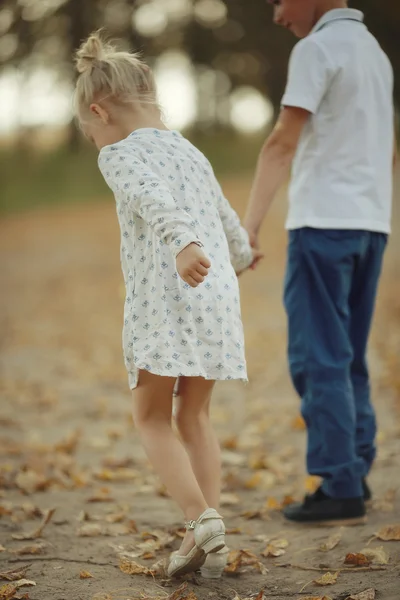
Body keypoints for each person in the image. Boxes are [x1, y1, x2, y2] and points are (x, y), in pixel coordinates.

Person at [73, 31, 262, 577]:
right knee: (195, 415)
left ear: (98, 111)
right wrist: (244, 252)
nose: (93, 141)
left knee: (151, 416)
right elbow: (225, 215)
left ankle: (199, 517)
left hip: (171, 287)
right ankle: (207, 532)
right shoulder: (189, 150)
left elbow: (150, 199)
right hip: (216, 286)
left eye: (89, 133)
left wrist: (182, 243)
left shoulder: (119, 153)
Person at [244, 0, 395, 525]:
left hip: (323, 224)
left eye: (281, 1)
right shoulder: (374, 53)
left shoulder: (317, 48)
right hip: (371, 227)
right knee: (348, 355)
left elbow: (281, 143)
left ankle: (339, 484)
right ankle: (353, 472)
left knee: (319, 357)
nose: (278, 15)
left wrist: (249, 225)